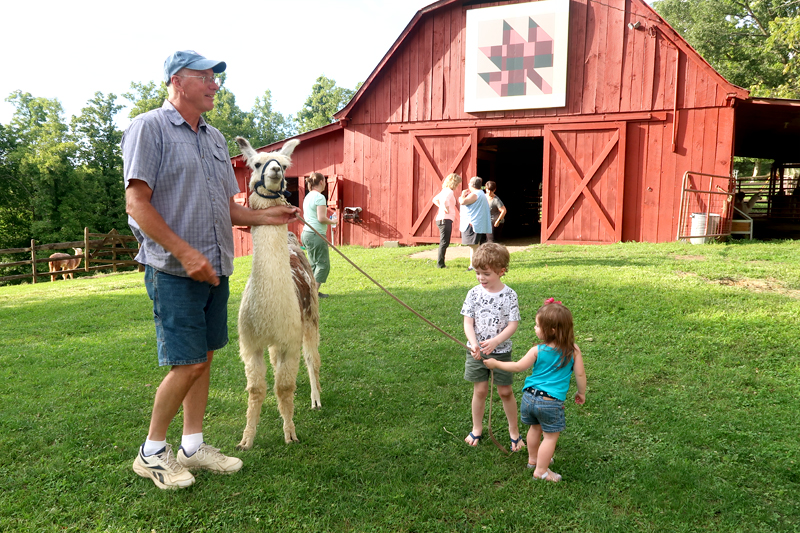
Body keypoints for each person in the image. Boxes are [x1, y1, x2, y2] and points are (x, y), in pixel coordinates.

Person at [123, 50, 299, 490]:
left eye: (215, 78)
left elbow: (227, 209)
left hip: (215, 267)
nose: (215, 85)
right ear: (178, 81)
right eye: (206, 77)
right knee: (184, 364)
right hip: (175, 270)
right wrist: (184, 253)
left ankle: (192, 446)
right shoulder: (150, 128)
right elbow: (137, 204)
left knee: (202, 360)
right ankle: (150, 453)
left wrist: (269, 217)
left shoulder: (214, 139)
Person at [484, 298, 587, 482]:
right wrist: (581, 393)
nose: (535, 328)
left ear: (552, 330)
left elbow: (516, 367)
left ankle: (533, 460)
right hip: (550, 402)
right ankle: (541, 471)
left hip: (529, 398)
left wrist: (495, 363)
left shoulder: (537, 350)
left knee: (534, 428)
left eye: (537, 325)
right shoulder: (573, 350)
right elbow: (580, 375)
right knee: (550, 437)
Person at [460, 243, 524, 452]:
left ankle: (513, 431)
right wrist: (474, 344)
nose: (481, 278)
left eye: (486, 273)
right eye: (478, 273)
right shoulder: (473, 294)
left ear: (501, 271)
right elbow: (468, 322)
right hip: (476, 352)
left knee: (505, 392)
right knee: (480, 390)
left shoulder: (509, 295)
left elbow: (513, 324)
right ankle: (477, 428)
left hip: (502, 352)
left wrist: (496, 341)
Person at [302, 172, 337, 298]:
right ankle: (313, 294)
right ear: (321, 182)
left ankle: (309, 291)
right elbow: (321, 218)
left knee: (313, 264)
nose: (326, 185)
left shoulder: (308, 196)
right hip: (316, 234)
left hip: (306, 233)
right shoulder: (319, 197)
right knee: (323, 265)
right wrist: (332, 221)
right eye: (325, 182)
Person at [458, 177, 493, 271]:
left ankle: (475, 265)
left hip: (472, 224)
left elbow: (462, 202)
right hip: (476, 223)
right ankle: (474, 264)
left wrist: (462, 195)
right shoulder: (481, 193)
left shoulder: (475, 194)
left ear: (472, 185)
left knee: (474, 246)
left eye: (469, 183)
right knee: (474, 245)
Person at [431, 173, 460, 268]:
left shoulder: (444, 190)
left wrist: (441, 207)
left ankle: (441, 263)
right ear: (454, 183)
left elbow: (435, 200)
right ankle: (440, 264)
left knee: (444, 242)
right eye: (458, 183)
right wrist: (446, 209)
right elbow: (445, 201)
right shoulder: (449, 191)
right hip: (445, 219)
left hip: (442, 219)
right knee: (444, 242)